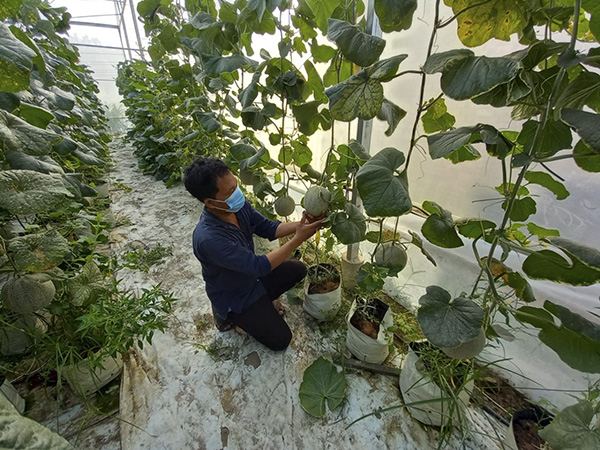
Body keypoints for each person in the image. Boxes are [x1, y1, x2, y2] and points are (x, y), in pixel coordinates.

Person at [184, 157, 323, 351]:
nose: (238, 193)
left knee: (298, 269)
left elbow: (268, 228)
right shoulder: (209, 239)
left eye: (236, 185)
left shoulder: (237, 207)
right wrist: (298, 239)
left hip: (250, 278)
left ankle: (259, 308)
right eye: (231, 191)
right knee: (281, 340)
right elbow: (258, 266)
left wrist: (301, 226)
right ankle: (226, 314)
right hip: (235, 296)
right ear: (210, 202)